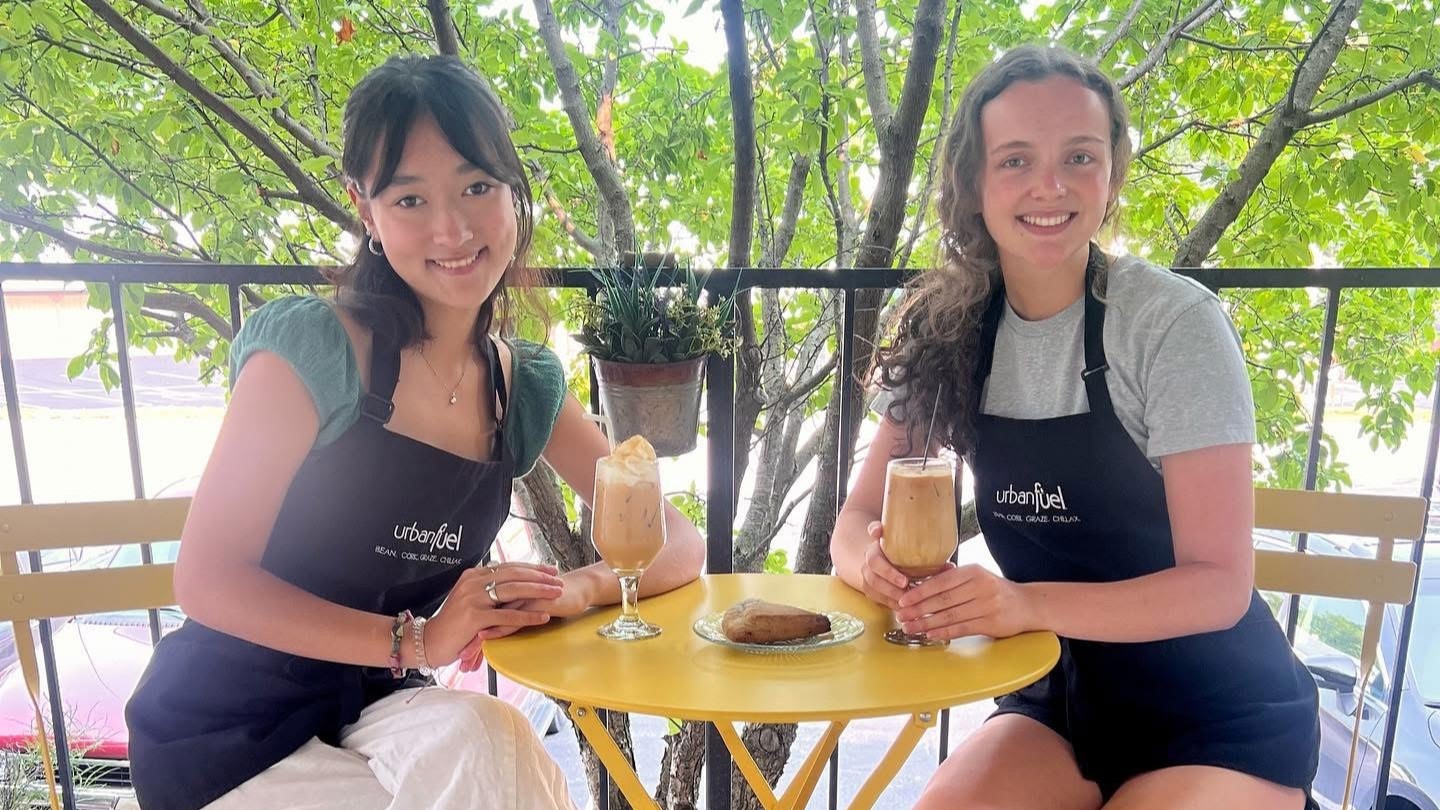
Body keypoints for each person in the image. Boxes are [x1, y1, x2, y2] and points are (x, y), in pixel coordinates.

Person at [125, 54, 705, 810]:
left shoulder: (521, 387)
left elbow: (676, 542)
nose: (452, 229)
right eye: (409, 198)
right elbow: (206, 580)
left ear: (513, 190)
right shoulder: (315, 351)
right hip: (226, 731)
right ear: (365, 211)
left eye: (477, 187)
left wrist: (577, 588)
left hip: (379, 709)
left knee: (493, 740)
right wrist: (417, 641)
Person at [832, 45, 1319, 810]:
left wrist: (1027, 605)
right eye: (1016, 160)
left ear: (1112, 173)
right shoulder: (946, 330)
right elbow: (855, 520)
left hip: (1223, 715)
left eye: (1079, 157)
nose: (1050, 186)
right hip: (1062, 697)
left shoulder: (1170, 322)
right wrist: (873, 568)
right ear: (973, 182)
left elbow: (1220, 586)